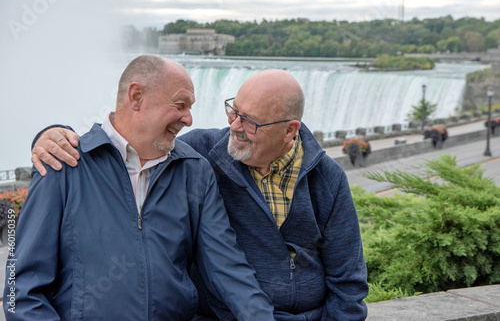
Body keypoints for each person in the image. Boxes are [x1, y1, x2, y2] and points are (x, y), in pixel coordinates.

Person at [31, 69, 369, 320]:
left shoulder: (326, 178)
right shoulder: (202, 155)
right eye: (233, 111)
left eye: (250, 121)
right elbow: (22, 288)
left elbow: (347, 281)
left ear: (290, 130)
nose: (234, 126)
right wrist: (48, 136)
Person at [5, 55, 276, 321]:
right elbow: (22, 290)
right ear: (136, 97)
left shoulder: (195, 171)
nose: (189, 119)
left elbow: (228, 269)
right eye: (181, 105)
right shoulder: (62, 164)